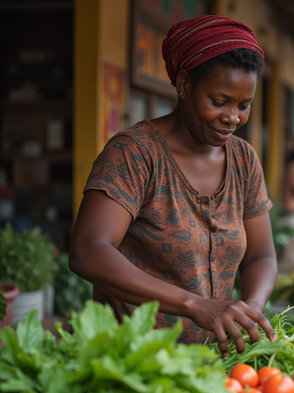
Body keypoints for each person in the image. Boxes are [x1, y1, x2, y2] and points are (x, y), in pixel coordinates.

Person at [68, 15, 276, 358]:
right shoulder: (134, 153)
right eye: (219, 100)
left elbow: (261, 255)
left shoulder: (244, 160)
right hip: (132, 364)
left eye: (244, 105)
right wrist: (195, 305)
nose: (233, 117)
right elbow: (88, 250)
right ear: (183, 84)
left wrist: (250, 309)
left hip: (217, 366)